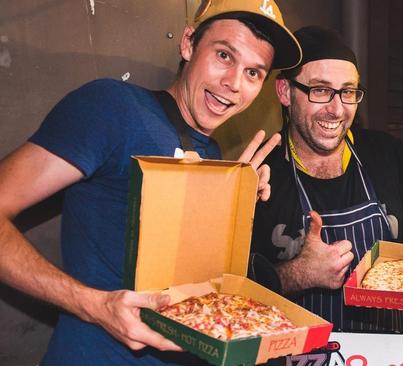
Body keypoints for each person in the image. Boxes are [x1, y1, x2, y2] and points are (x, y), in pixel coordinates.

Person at [0, 0, 301, 364]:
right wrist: (95, 306)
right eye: (224, 55)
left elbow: (187, 282)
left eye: (254, 73)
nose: (233, 84)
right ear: (189, 43)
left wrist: (231, 207)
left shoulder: (214, 153)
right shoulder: (113, 108)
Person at [251, 26, 403, 332]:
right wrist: (299, 273)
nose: (337, 110)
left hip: (392, 350)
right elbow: (227, 293)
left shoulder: (387, 154)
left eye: (347, 91)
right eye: (320, 90)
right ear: (284, 91)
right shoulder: (259, 176)